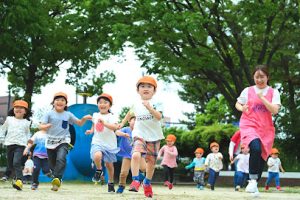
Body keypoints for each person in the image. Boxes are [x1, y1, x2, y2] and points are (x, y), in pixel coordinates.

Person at [235, 65, 281, 195]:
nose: (259, 80)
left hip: (266, 128)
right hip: (249, 124)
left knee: (262, 156)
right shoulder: (247, 90)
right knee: (255, 148)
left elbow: (275, 110)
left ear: (267, 77)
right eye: (257, 77)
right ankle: (252, 180)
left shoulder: (274, 92)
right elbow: (238, 103)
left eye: (262, 77)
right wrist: (242, 108)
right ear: (253, 77)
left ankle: (254, 184)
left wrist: (262, 98)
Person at [119, 76, 164, 198]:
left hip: (154, 136)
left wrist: (150, 108)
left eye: (149, 86)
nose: (145, 88)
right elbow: (129, 113)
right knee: (135, 154)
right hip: (139, 134)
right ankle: (135, 180)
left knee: (151, 162)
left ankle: (147, 182)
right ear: (138, 90)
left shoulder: (157, 103)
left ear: (154, 91)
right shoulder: (136, 103)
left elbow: (159, 117)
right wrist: (122, 123)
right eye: (142, 86)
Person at [40, 92, 92, 191]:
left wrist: (84, 118)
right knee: (52, 164)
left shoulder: (68, 114)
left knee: (61, 158)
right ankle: (55, 176)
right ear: (53, 102)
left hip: (63, 140)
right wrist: (45, 126)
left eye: (62, 100)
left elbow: (79, 123)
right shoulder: (49, 114)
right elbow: (41, 126)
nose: (60, 102)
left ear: (66, 104)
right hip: (50, 141)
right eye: (57, 100)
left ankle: (57, 178)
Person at [85, 93, 119, 193]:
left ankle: (111, 182)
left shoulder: (112, 116)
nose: (102, 104)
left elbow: (115, 127)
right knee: (97, 156)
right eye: (100, 102)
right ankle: (99, 170)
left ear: (110, 105)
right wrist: (90, 131)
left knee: (109, 165)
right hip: (97, 141)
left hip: (109, 144)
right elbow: (94, 125)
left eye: (105, 102)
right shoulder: (95, 115)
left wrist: (104, 123)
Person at [0, 100, 32, 190]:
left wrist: (27, 147)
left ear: (25, 111)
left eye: (21, 108)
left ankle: (19, 180)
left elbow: (27, 134)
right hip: (9, 144)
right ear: (13, 109)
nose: (18, 109)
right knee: (10, 164)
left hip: (20, 145)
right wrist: (2, 139)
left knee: (16, 162)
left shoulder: (26, 122)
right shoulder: (9, 119)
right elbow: (3, 129)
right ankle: (13, 177)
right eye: (16, 107)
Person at [115, 116, 146, 193]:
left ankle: (140, 176)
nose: (135, 122)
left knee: (144, 168)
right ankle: (121, 186)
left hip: (138, 154)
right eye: (134, 120)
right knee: (123, 173)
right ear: (129, 121)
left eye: (137, 121)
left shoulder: (140, 131)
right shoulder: (126, 129)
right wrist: (124, 134)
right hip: (127, 155)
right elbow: (116, 132)